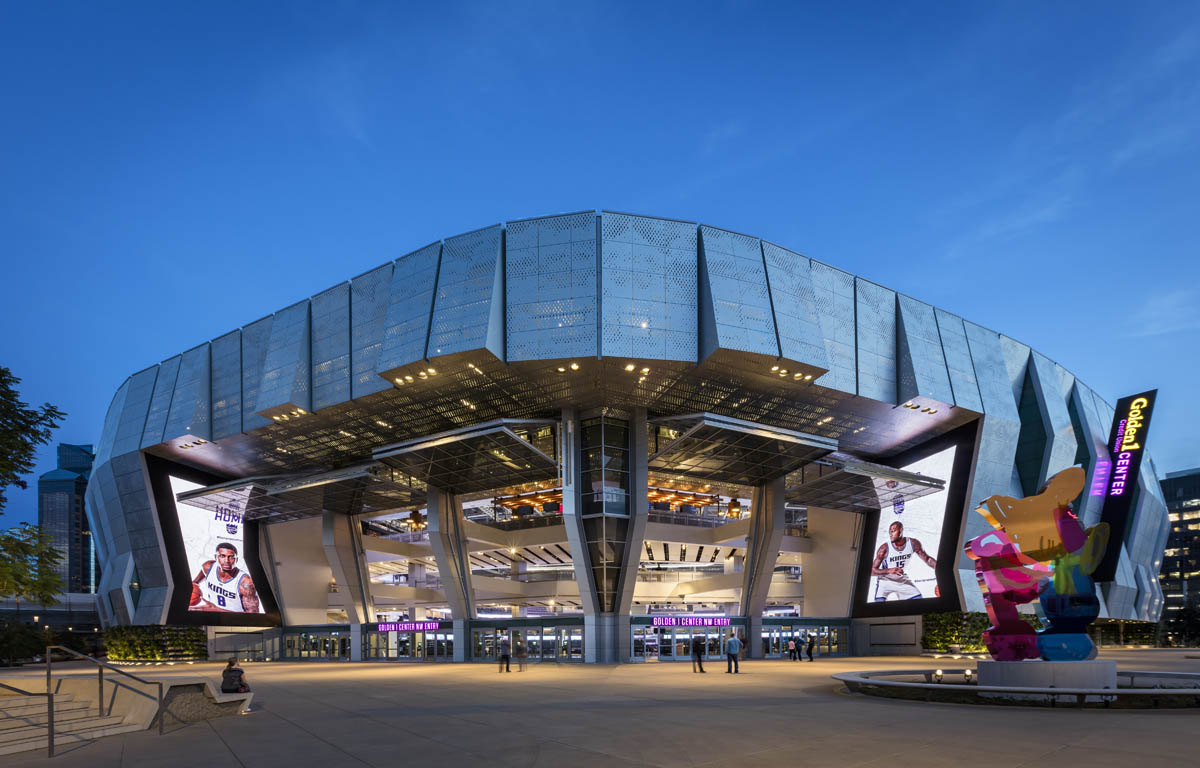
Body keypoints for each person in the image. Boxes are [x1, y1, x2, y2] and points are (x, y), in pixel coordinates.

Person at [870, 521, 937, 601]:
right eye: (889, 532)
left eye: (893, 531)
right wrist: (890, 570)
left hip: (901, 580)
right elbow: (872, 571)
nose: (890, 534)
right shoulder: (884, 548)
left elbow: (927, 559)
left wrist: (940, 568)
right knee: (878, 608)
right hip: (885, 581)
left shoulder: (913, 543)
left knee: (919, 601)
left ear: (901, 530)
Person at [190, 542, 260, 613]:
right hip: (213, 615)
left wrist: (217, 610)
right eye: (222, 556)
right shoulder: (208, 567)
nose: (227, 561)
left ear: (236, 560)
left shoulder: (245, 583)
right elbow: (194, 583)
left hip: (236, 621)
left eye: (231, 557)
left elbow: (253, 615)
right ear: (216, 557)